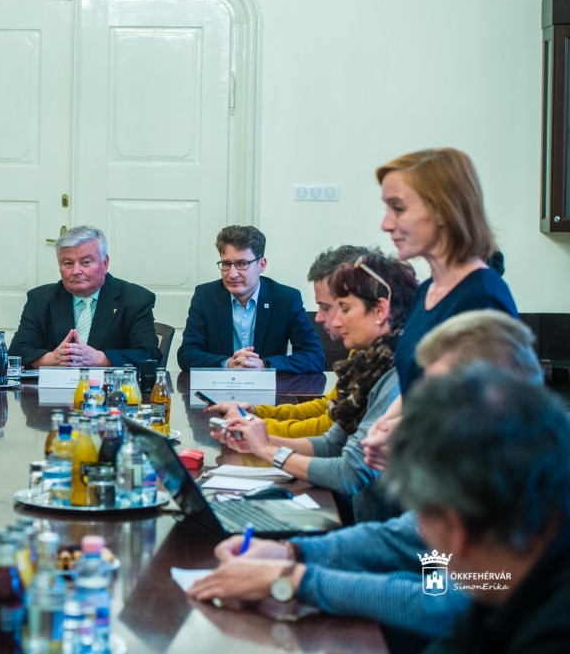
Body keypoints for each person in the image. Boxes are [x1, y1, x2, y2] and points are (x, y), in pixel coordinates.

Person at [187, 310, 542, 649]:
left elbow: (441, 602)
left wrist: (293, 579)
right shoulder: (487, 458)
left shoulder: (530, 488)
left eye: (438, 398)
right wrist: (291, 552)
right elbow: (402, 538)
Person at [212, 253, 417, 522]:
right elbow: (332, 444)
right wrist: (256, 437)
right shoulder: (372, 361)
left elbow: (349, 472)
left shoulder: (395, 371)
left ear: (380, 310)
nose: (332, 320)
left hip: (373, 526)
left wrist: (267, 449)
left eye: (343, 308)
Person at [388, 365, 570, 653]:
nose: (418, 531)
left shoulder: (551, 635)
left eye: (418, 514)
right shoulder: (501, 580)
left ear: (455, 528)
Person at [378, 147, 517, 395]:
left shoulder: (482, 299)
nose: (386, 224)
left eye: (398, 208)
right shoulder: (426, 291)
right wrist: (387, 417)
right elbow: (414, 386)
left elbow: (483, 407)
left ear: (443, 210)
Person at [207, 245, 370, 438]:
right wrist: (257, 412)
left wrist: (255, 427)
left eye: (327, 307)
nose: (318, 317)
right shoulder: (362, 351)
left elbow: (329, 427)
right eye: (226, 264)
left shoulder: (386, 359)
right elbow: (327, 406)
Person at [177, 225, 325, 373]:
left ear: (262, 265)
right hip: (218, 385)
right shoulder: (205, 296)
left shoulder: (285, 298)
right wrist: (228, 364)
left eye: (242, 264)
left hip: (268, 386)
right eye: (226, 264)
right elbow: (187, 354)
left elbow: (315, 356)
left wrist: (264, 365)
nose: (232, 274)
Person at [8, 225, 160, 368]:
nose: (76, 271)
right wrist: (53, 359)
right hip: (55, 386)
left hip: (109, 386)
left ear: (105, 263)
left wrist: (100, 358)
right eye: (68, 263)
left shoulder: (135, 300)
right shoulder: (40, 299)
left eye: (86, 262)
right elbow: (16, 352)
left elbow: (148, 355)